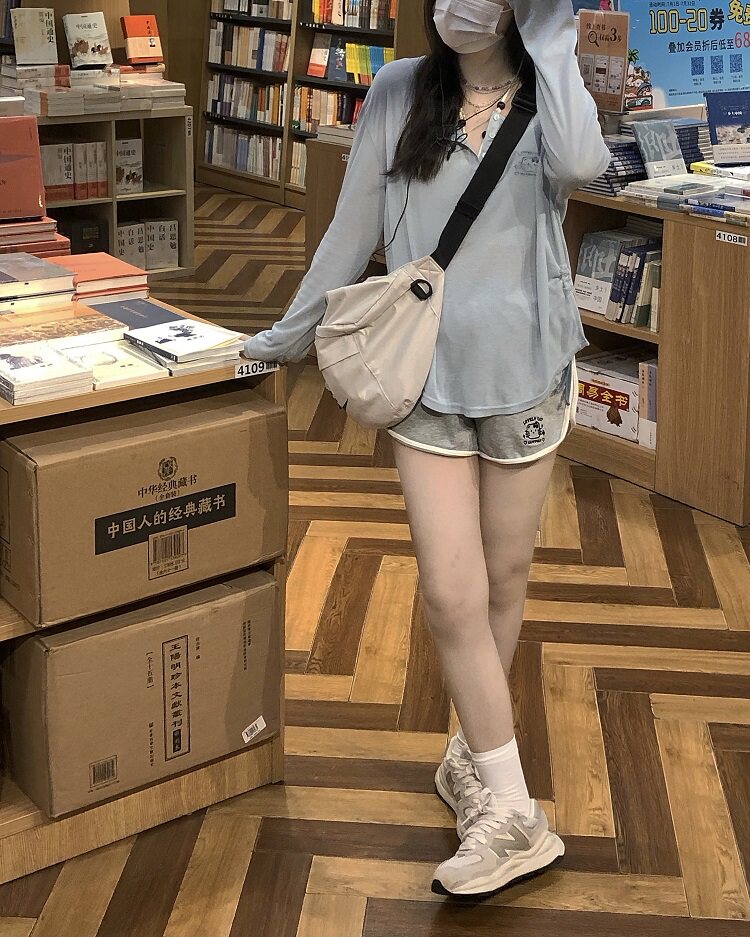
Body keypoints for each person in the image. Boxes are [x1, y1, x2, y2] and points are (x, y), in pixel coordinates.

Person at [246, 0, 610, 899]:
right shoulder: (399, 89)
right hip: (423, 374)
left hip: (528, 374)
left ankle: (472, 758)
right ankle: (515, 813)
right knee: (452, 592)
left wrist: (551, 28)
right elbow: (350, 230)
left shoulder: (549, 91)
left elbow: (583, 165)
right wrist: (283, 340)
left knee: (505, 579)